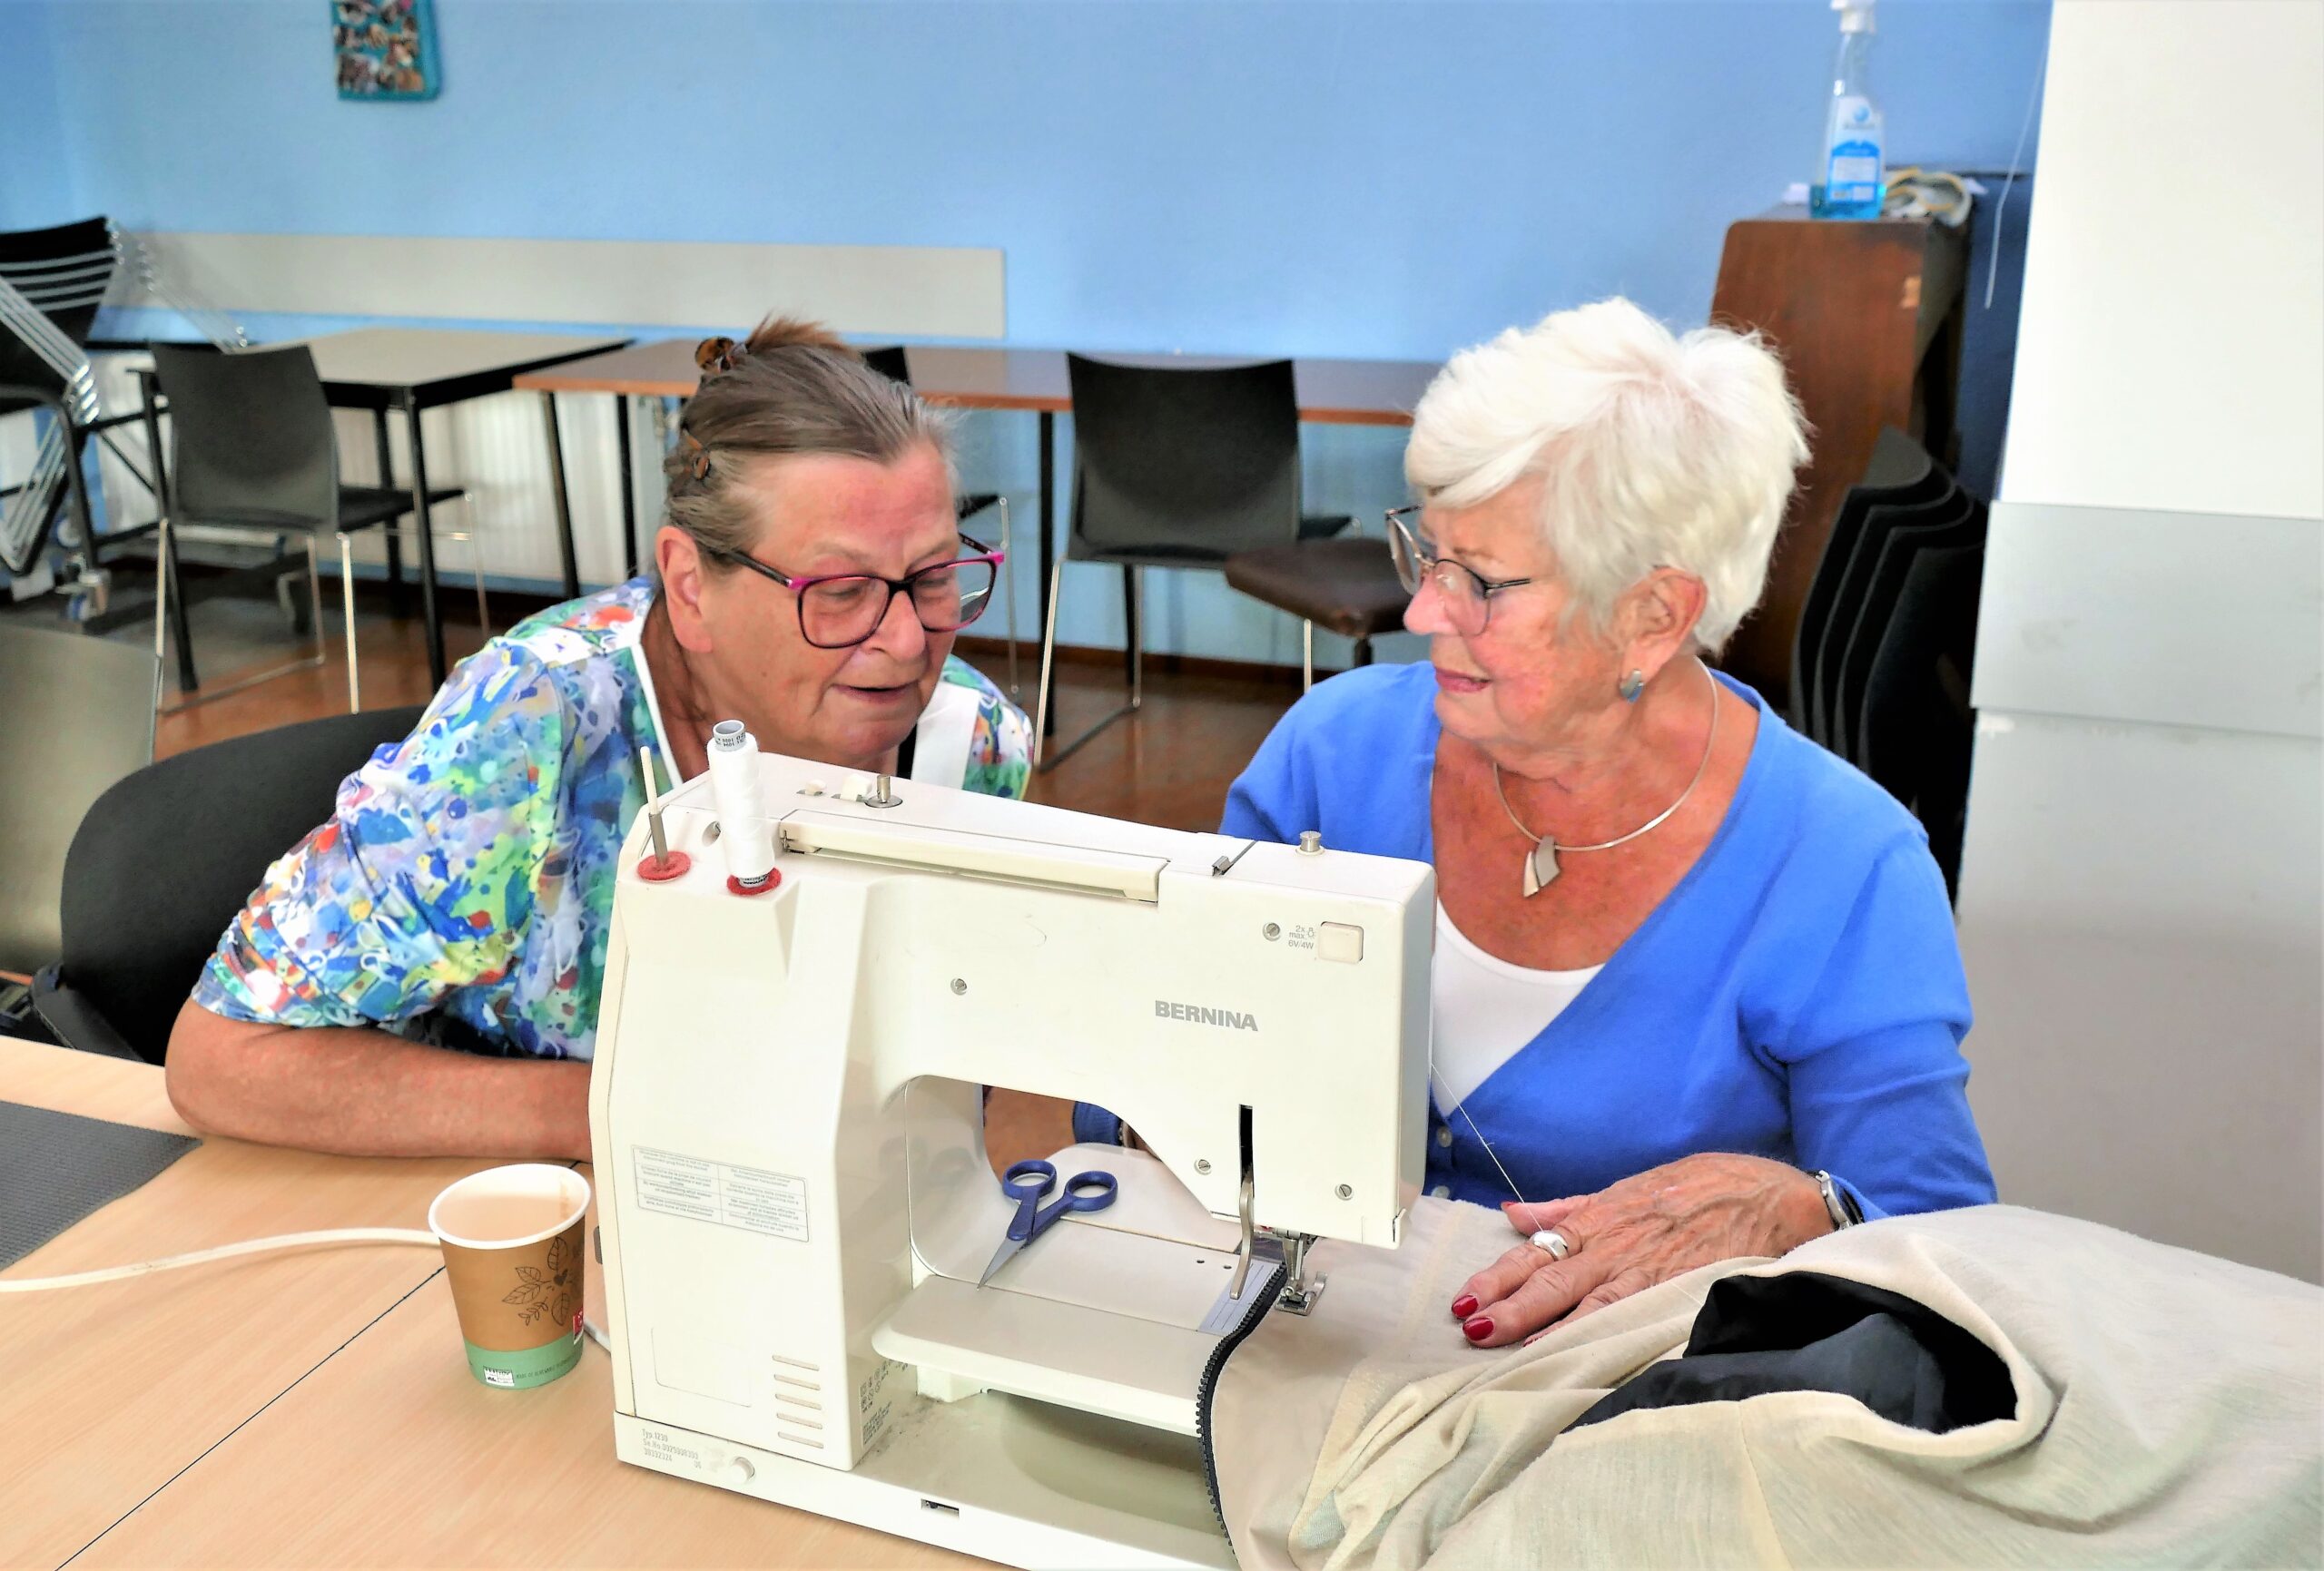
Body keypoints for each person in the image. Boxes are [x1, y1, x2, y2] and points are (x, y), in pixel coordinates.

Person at [1219, 299, 1994, 1348]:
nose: (1421, 613)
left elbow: (1940, 1236)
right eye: (1426, 551)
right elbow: (1171, 1047)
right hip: (1295, 1347)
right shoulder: (1332, 757)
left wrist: (1800, 1208)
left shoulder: (1843, 867)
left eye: (1481, 580)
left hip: (1617, 1408)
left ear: (1653, 617)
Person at [166, 318, 1029, 1162]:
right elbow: (220, 1058)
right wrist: (625, 1108)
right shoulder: (529, 734)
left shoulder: (972, 744)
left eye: (936, 575)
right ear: (690, 585)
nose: (911, 641)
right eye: (841, 590)